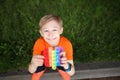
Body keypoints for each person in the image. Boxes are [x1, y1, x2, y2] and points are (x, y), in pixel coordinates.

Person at [28, 14, 75, 80]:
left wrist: (67, 66)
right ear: (41, 33)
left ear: (61, 30)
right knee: (36, 73)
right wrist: (33, 64)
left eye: (54, 30)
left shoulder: (66, 44)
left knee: (65, 73)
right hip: (44, 61)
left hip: (60, 61)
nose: (50, 34)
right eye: (46, 30)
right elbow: (31, 70)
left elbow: (72, 72)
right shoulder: (39, 43)